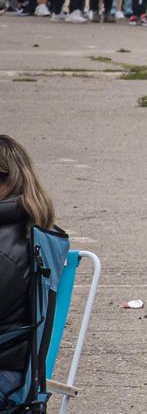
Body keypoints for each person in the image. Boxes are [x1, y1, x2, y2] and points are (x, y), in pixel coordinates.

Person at [0, 135, 60, 400]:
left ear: (7, 182)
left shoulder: (6, 246)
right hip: (18, 370)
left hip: (6, 375)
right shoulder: (30, 231)